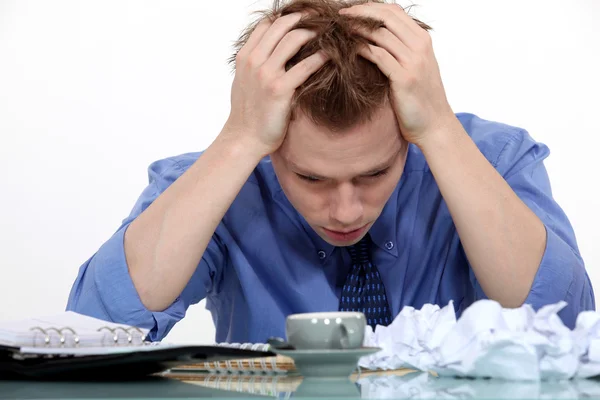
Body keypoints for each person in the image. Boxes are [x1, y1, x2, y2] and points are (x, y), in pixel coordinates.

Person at [66, 0, 594, 343]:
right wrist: (239, 140)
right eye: (310, 178)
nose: (346, 211)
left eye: (374, 173)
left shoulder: (492, 161)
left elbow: (567, 329)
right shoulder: (215, 180)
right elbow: (94, 331)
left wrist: (437, 128)